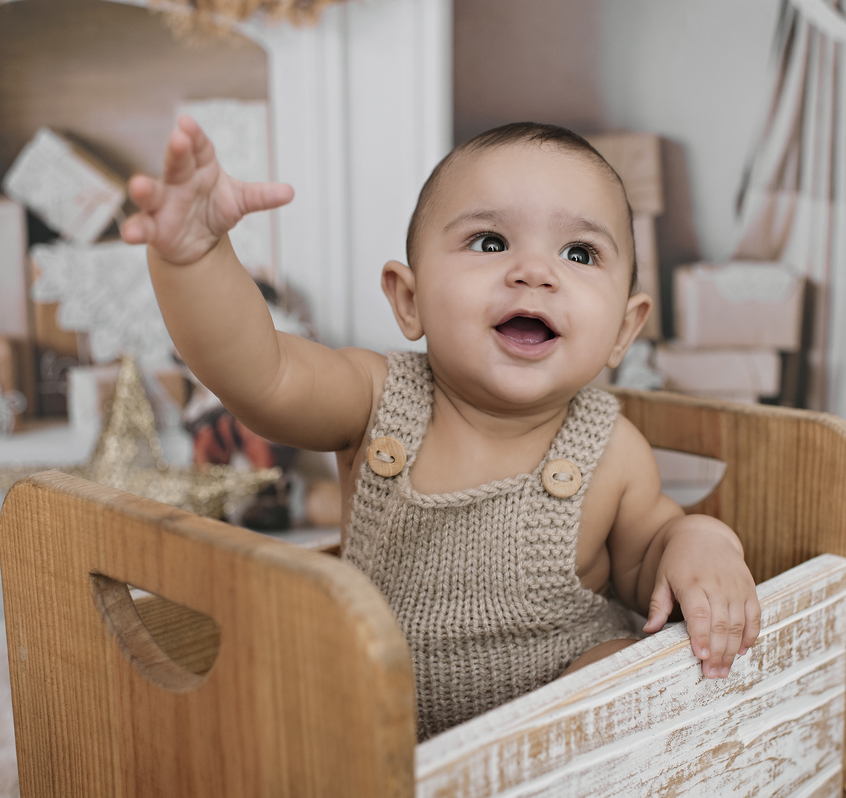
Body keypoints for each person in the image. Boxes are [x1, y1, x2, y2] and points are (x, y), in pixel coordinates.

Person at [123, 117, 760, 739]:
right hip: (381, 724)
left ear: (624, 328)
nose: (535, 272)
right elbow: (261, 374)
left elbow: (649, 560)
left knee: (632, 669)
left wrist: (698, 539)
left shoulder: (612, 450)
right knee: (279, 710)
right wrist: (195, 258)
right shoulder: (373, 400)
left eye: (579, 252)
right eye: (490, 242)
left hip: (548, 747)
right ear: (410, 299)